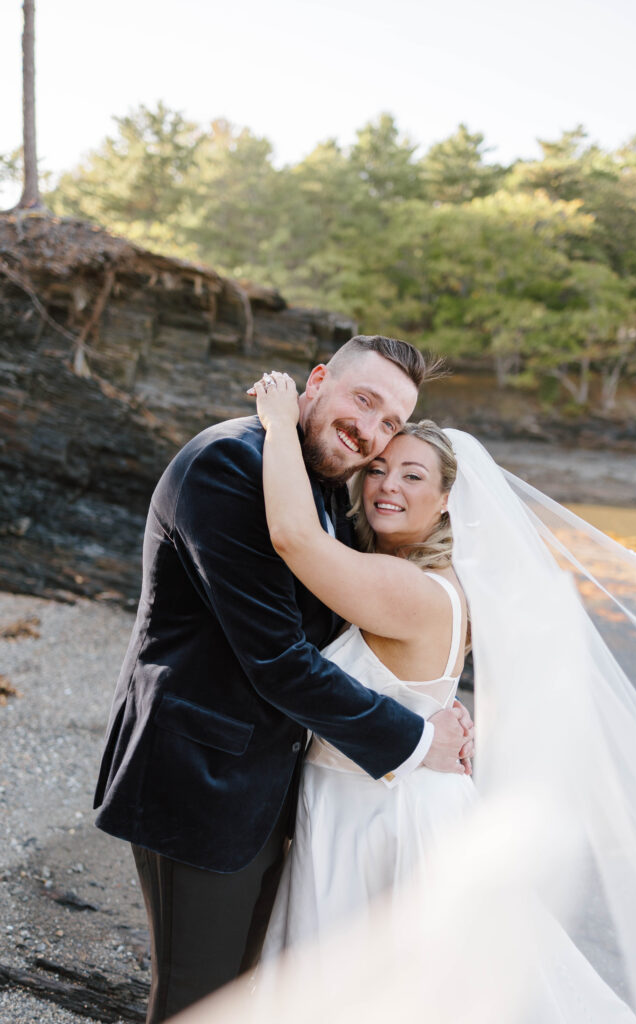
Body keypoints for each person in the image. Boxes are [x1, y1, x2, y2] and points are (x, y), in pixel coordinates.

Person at [247, 371, 636, 1023]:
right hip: (368, 803)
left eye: (413, 476)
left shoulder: (411, 590)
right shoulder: (411, 575)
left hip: (382, 824)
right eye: (379, 469)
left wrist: (280, 423)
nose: (387, 486)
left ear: (448, 499)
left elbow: (295, 539)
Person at [92, 335, 473, 1024]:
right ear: (317, 380)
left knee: (249, 993)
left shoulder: (323, 492)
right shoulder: (232, 465)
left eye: (391, 423)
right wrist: (415, 738)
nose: (371, 432)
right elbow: (277, 657)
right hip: (200, 778)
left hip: (272, 788)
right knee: (196, 999)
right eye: (364, 401)